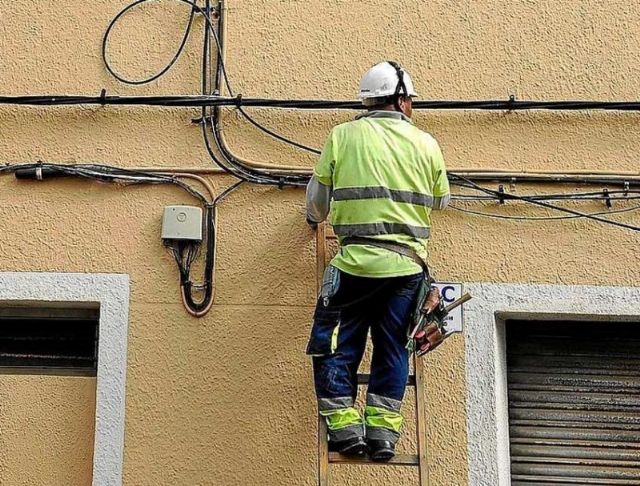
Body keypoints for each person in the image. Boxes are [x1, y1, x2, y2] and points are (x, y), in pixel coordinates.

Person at [305, 61, 451, 461]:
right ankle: (383, 436)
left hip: (354, 265)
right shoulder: (426, 143)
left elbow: (316, 204)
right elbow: (441, 200)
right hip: (406, 271)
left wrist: (315, 218)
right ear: (401, 100)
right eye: (411, 101)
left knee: (336, 346)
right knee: (394, 349)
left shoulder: (342, 136)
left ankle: (345, 431)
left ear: (368, 101)